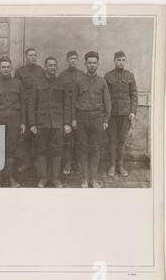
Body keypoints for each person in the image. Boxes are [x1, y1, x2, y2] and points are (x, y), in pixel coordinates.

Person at [28, 57, 72, 188]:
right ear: (45, 67)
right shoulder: (37, 84)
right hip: (42, 123)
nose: (52, 67)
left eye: (54, 65)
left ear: (56, 67)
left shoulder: (61, 84)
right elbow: (31, 105)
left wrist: (67, 123)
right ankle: (43, 178)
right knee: (41, 150)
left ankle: (56, 178)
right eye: (50, 65)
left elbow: (67, 105)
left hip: (57, 123)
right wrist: (32, 124)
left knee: (57, 150)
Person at [72, 51, 112, 188]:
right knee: (82, 148)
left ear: (98, 64)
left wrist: (106, 119)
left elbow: (107, 102)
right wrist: (74, 119)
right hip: (82, 117)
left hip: (97, 118)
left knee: (95, 148)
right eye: (89, 63)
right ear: (85, 64)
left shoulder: (102, 82)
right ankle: (84, 178)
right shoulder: (78, 81)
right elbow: (73, 101)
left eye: (95, 63)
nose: (92, 65)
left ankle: (93, 179)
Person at [0, 56, 26, 188]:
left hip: (14, 121)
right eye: (3, 67)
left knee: (10, 150)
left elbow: (23, 104)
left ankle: (10, 178)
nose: (6, 69)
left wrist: (23, 122)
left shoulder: (18, 83)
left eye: (8, 67)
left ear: (11, 68)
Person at [104, 51, 138, 177]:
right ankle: (112, 165)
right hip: (111, 114)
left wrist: (132, 111)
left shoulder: (130, 76)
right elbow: (104, 96)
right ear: (114, 61)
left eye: (123, 60)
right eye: (118, 60)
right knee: (112, 140)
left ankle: (120, 166)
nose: (121, 62)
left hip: (125, 114)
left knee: (122, 140)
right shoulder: (108, 76)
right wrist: (105, 114)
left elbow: (134, 95)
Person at [14, 48, 45, 173]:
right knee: (25, 136)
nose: (33, 57)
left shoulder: (41, 71)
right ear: (26, 57)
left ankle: (37, 162)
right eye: (30, 55)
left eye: (35, 55)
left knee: (38, 135)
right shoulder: (20, 72)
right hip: (25, 107)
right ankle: (26, 162)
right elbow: (16, 90)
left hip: (38, 107)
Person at [57, 50, 84, 175]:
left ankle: (77, 163)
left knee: (79, 140)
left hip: (80, 112)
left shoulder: (82, 75)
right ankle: (67, 163)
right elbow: (60, 98)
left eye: (75, 58)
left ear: (78, 60)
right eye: (71, 58)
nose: (73, 60)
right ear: (67, 60)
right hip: (66, 112)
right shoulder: (62, 76)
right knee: (67, 140)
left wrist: (77, 117)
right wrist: (66, 119)